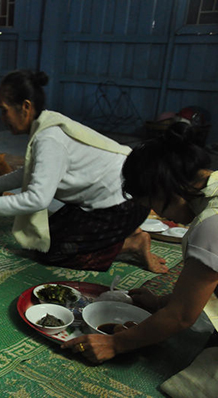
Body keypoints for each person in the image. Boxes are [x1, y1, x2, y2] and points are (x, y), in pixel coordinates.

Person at [0, 70, 167, 273]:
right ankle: (122, 234)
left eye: (4, 110)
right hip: (111, 198)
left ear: (25, 107)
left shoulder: (48, 139)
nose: (2, 117)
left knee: (53, 253)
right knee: (39, 239)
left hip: (124, 205)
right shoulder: (47, 125)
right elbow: (30, 172)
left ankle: (131, 243)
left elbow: (38, 199)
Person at [62, 122, 218, 363]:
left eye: (153, 203)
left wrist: (115, 343)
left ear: (166, 188)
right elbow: (203, 286)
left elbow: (181, 316)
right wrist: (160, 303)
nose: (161, 214)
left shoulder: (211, 225)